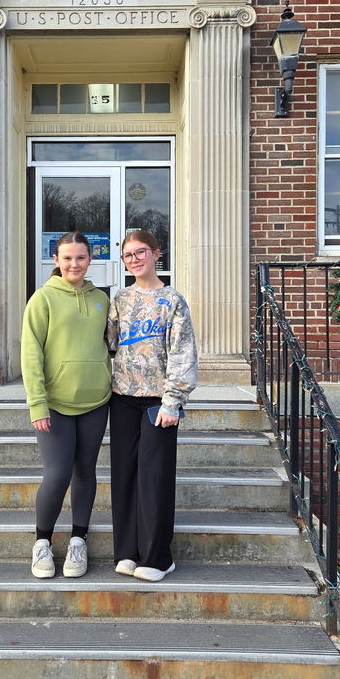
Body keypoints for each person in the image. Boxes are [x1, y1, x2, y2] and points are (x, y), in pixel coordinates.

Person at [107, 230, 198, 582]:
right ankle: (128, 551)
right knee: (124, 476)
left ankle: (158, 557)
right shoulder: (120, 299)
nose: (134, 260)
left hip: (158, 402)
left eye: (140, 252)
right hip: (122, 397)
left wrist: (173, 401)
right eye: (128, 255)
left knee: (153, 477)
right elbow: (109, 345)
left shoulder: (173, 300)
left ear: (157, 253)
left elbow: (183, 354)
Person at [21, 231, 111, 579]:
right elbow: (31, 354)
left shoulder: (102, 299)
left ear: (90, 259)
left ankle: (78, 539)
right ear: (56, 260)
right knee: (58, 475)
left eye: (81, 257)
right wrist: (37, 403)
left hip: (96, 401)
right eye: (68, 258)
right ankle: (42, 542)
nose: (75, 264)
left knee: (86, 472)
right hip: (56, 404)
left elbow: (111, 345)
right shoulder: (43, 298)